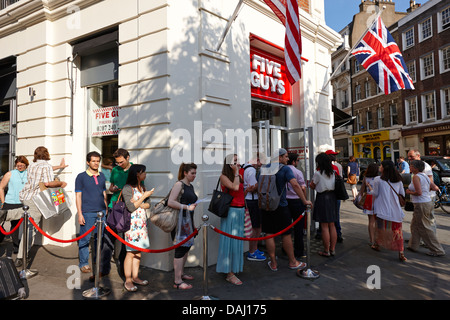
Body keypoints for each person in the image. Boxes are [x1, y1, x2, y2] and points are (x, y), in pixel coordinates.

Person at [260, 148, 312, 273]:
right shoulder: (285, 169)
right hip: (281, 206)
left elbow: (259, 185)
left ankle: (273, 263)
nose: (288, 159)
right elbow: (295, 184)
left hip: (266, 206)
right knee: (286, 234)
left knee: (269, 233)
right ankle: (293, 262)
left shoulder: (263, 168)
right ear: (279, 157)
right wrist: (305, 200)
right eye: (286, 156)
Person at [18, 146, 67, 266]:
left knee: (27, 225)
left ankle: (20, 253)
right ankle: (21, 257)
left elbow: (44, 171)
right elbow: (48, 183)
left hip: (26, 197)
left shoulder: (32, 166)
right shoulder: (46, 166)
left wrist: (59, 167)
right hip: (36, 199)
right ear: (47, 154)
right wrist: (61, 183)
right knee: (31, 229)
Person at [75, 151, 108, 276]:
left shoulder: (102, 176)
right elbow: (78, 195)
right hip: (87, 212)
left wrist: (106, 208)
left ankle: (96, 262)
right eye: (93, 161)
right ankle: (83, 263)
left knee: (99, 240)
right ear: (88, 162)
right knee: (85, 239)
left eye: (98, 161)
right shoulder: (81, 177)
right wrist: (80, 214)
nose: (96, 163)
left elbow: (103, 192)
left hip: (101, 213)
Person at [122, 164, 153, 292]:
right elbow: (130, 207)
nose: (145, 174)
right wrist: (143, 198)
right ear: (137, 174)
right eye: (143, 172)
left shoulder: (142, 187)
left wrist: (139, 202)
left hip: (141, 223)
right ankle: (128, 280)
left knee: (138, 252)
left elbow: (148, 205)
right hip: (131, 225)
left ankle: (135, 277)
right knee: (130, 253)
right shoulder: (127, 188)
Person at [216, 154, 246, 285]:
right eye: (235, 161)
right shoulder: (224, 176)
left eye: (238, 161)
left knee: (237, 241)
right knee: (230, 241)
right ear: (229, 164)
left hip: (240, 209)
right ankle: (229, 273)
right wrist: (236, 172)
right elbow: (234, 187)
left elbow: (242, 190)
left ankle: (234, 268)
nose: (238, 163)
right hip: (231, 211)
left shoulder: (240, 173)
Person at [168, 163, 198, 290]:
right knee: (180, 249)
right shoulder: (179, 184)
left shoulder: (189, 186)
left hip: (187, 222)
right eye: (192, 173)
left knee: (186, 247)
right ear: (185, 173)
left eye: (195, 173)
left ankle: (181, 273)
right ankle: (177, 281)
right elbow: (171, 202)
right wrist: (186, 207)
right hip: (180, 223)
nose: (194, 176)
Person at [103, 148, 132, 277]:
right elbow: (111, 186)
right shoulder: (114, 170)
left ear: (128, 158)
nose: (119, 165)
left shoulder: (135, 170)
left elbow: (141, 187)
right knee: (109, 238)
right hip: (114, 205)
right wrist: (113, 188)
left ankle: (123, 267)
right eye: (117, 162)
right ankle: (103, 269)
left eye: (121, 162)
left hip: (128, 207)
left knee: (126, 240)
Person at [406, 160, 445, 257]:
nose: (409, 167)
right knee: (415, 225)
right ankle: (413, 245)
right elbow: (434, 187)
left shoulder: (416, 177)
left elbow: (419, 193)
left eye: (410, 166)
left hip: (421, 203)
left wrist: (409, 192)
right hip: (426, 202)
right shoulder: (424, 176)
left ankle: (437, 250)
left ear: (415, 168)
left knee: (424, 227)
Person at [371, 160, 407, 261]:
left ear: (384, 168)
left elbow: (376, 193)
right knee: (397, 231)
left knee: (380, 228)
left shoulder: (378, 180)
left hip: (381, 209)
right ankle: (401, 252)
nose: (379, 167)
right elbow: (402, 194)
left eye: (381, 165)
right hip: (395, 210)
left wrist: (370, 190)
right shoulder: (398, 180)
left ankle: (377, 244)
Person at [0, 156, 29, 255]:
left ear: (26, 165)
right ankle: (15, 246)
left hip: (22, 203)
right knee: (7, 224)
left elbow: (43, 169)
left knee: (17, 226)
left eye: (22, 165)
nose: (19, 167)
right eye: (18, 165)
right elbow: (1, 187)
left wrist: (59, 166)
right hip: (10, 202)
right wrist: (3, 202)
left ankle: (17, 247)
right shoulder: (10, 174)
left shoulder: (29, 174)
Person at [310, 153, 337, 257]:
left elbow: (312, 185)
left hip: (322, 198)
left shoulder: (318, 173)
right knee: (332, 224)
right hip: (332, 197)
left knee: (324, 226)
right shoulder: (333, 172)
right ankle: (333, 249)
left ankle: (326, 250)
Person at [242, 153, 266, 261]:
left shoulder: (244, 167)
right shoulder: (251, 170)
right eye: (260, 162)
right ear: (256, 159)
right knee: (256, 227)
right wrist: (259, 186)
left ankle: (254, 249)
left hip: (248, 199)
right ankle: (252, 252)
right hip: (252, 200)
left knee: (255, 226)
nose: (260, 165)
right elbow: (254, 187)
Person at [286, 153, 306, 259]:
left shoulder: (282, 171)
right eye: (297, 160)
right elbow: (302, 187)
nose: (298, 162)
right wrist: (305, 200)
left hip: (285, 202)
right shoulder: (298, 172)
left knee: (286, 227)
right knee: (298, 228)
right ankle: (299, 250)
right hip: (297, 201)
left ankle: (286, 249)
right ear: (293, 161)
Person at [358, 163, 379, 246]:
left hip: (369, 199)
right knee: (377, 221)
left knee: (371, 221)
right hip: (377, 200)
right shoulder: (379, 178)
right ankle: (377, 239)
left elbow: (361, 190)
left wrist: (359, 199)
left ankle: (372, 239)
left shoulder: (366, 178)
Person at [326, 150, 343, 243]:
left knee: (331, 216)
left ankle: (337, 234)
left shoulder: (337, 166)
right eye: (333, 155)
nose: (335, 157)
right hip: (333, 194)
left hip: (331, 194)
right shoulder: (335, 167)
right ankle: (337, 234)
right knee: (335, 215)